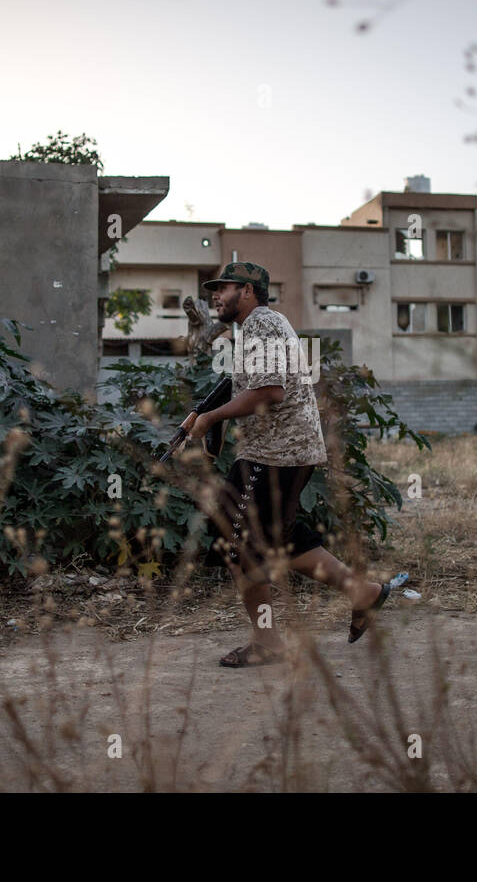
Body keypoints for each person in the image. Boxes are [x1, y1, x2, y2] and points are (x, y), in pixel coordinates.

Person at [179, 261, 394, 668]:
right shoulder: (258, 328)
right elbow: (246, 384)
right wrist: (205, 413)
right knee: (281, 538)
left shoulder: (262, 323)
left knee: (237, 546)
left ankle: (268, 643)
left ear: (247, 291)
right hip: (277, 452)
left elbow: (271, 391)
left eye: (223, 288)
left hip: (276, 453)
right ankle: (362, 593)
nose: (215, 296)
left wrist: (211, 419)